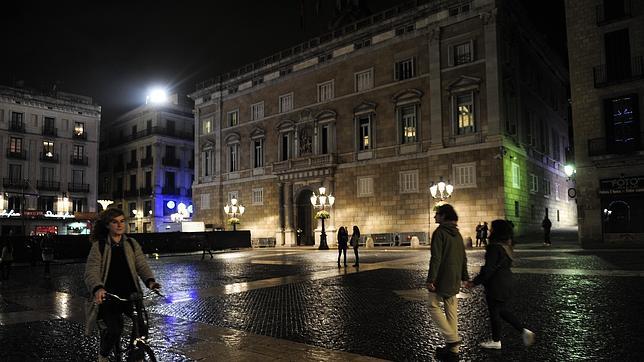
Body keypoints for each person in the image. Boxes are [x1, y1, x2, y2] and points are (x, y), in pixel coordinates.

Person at [84, 208, 160, 361]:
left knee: (142, 327)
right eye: (114, 222)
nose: (119, 225)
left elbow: (141, 265)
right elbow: (91, 271)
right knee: (114, 329)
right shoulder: (99, 246)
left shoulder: (131, 243)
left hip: (131, 293)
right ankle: (103, 355)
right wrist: (98, 288)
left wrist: (150, 281)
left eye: (122, 221)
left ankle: (134, 353)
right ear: (107, 225)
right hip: (110, 296)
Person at [465, 219, 535, 350]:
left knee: (495, 311)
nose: (490, 230)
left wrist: (474, 282)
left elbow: (489, 269)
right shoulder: (507, 246)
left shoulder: (494, 247)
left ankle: (499, 340)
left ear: (497, 231)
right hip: (506, 281)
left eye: (492, 228)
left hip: (496, 283)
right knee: (500, 310)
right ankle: (521, 333)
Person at [426, 204, 469, 361]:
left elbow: (436, 258)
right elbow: (464, 257)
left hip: (442, 278)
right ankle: (454, 351)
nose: (434, 217)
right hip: (455, 278)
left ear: (443, 216)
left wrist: (431, 279)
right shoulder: (457, 234)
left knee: (432, 305)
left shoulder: (439, 233)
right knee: (451, 311)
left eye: (437, 214)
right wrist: (464, 276)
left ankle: (451, 339)